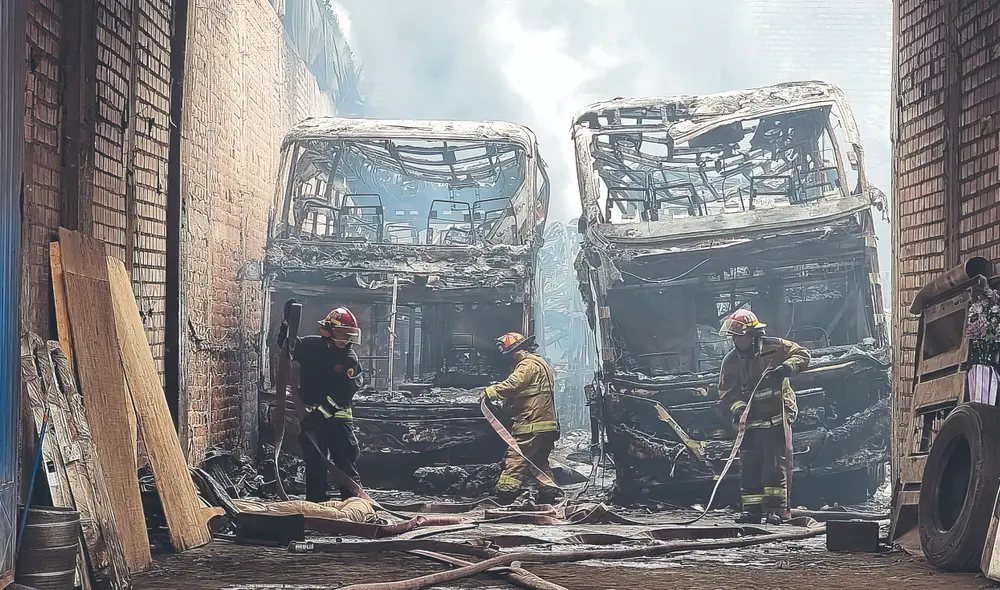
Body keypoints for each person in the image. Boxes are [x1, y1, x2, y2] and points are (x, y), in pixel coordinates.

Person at [717, 309, 810, 525]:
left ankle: (776, 511)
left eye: (740, 336)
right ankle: (752, 511)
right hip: (750, 423)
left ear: (753, 335)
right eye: (734, 338)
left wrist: (786, 368)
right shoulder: (730, 362)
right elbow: (727, 393)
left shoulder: (775, 347)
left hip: (777, 416)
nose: (736, 341)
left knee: (774, 467)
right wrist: (739, 409)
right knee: (749, 467)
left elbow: (803, 354)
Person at [288, 306, 365, 502]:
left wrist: (318, 416)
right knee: (315, 464)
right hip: (312, 419)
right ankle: (317, 507)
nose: (345, 341)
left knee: (344, 464)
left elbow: (342, 396)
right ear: (328, 331)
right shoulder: (310, 347)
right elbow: (289, 349)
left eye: (349, 335)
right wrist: (285, 330)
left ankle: (353, 507)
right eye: (341, 334)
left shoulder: (349, 359)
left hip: (337, 421)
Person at [482, 332, 563, 505]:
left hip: (531, 424)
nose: (509, 360)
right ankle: (548, 493)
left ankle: (505, 495)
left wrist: (490, 392)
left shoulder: (527, 365)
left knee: (516, 459)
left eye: (509, 355)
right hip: (546, 425)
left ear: (516, 352)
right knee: (539, 461)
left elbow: (513, 384)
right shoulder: (541, 364)